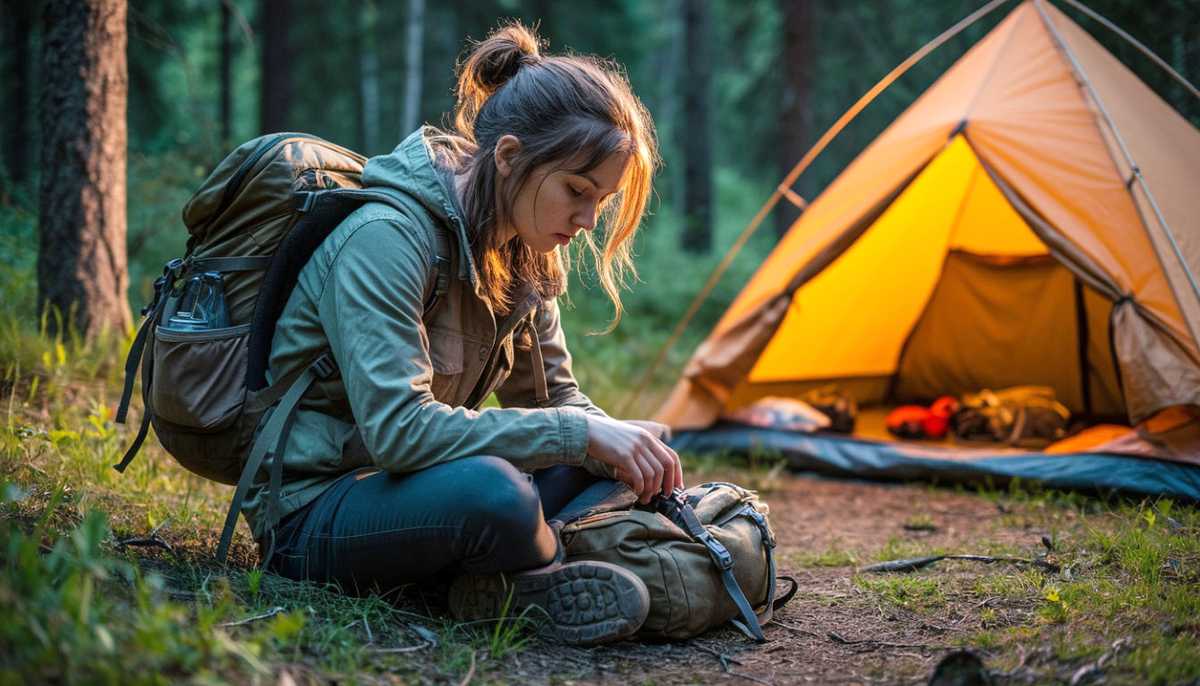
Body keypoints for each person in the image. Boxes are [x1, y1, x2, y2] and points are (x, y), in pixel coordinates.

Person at [240, 21, 681, 646]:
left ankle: (509, 572)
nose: (586, 220)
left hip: (423, 489)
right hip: (317, 512)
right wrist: (581, 433)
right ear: (508, 158)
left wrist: (617, 442)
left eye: (601, 201)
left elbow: (554, 402)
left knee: (636, 451)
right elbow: (399, 433)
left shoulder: (527, 252)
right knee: (495, 494)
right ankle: (538, 563)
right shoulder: (385, 240)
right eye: (576, 190)